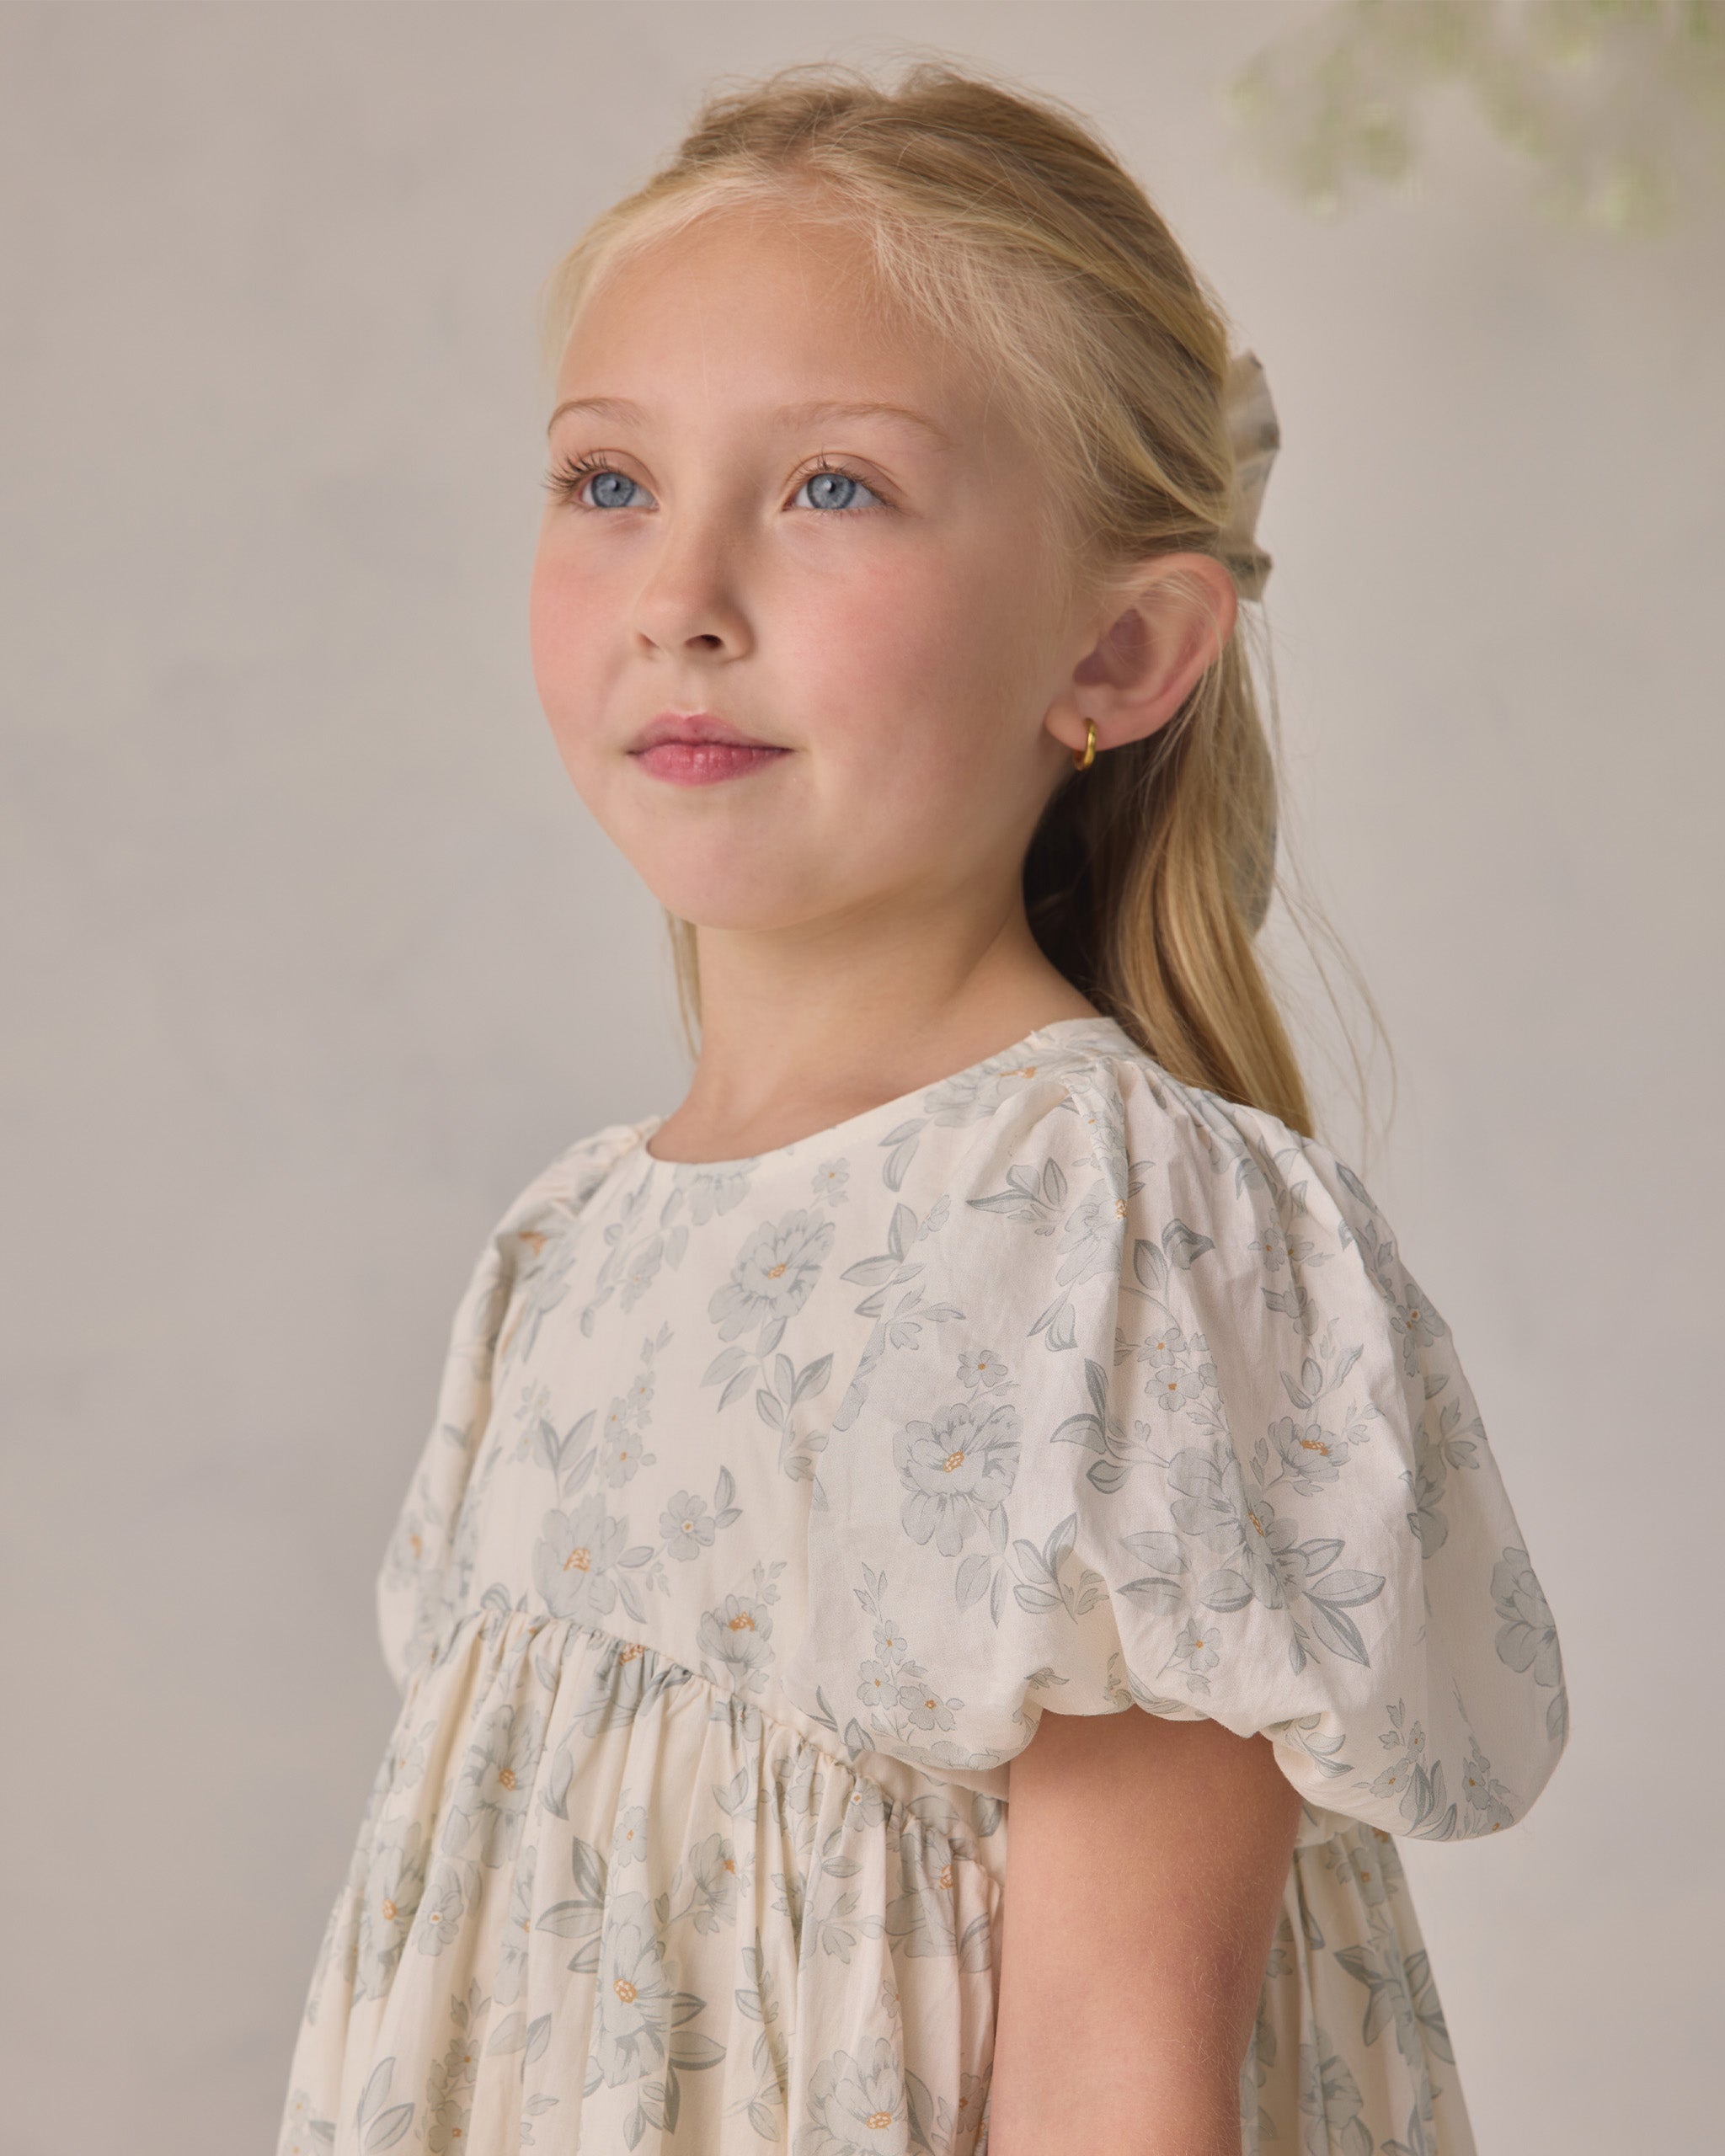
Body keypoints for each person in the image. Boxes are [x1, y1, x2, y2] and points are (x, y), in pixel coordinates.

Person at [276, 61, 1567, 2156]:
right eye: (607, 479)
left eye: (832, 487)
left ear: (1121, 648)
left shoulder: (1109, 1244)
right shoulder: (562, 1249)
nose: (678, 592)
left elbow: (1116, 2098)